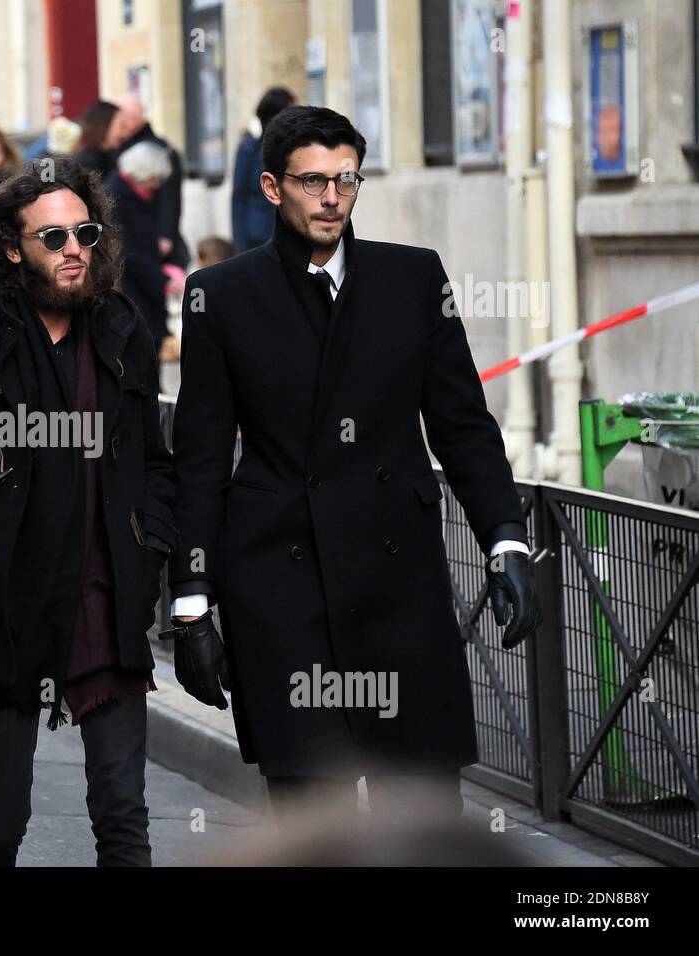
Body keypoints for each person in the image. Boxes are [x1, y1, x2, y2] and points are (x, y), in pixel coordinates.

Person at [163, 106, 541, 819]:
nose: (333, 197)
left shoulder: (412, 278)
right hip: (281, 593)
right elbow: (202, 458)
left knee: (425, 819)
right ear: (272, 188)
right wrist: (191, 603)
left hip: (401, 590)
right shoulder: (223, 296)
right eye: (313, 182)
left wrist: (506, 537)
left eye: (346, 179)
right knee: (314, 826)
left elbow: (462, 426)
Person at [0, 160, 176, 866]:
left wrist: (150, 558)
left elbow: (156, 466)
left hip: (103, 604)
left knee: (124, 822)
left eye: (84, 232)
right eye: (52, 237)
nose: (73, 247)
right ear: (13, 248)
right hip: (2, 608)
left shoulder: (120, 331)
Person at [105, 141, 174, 352]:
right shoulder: (116, 196)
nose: (156, 185)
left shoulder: (139, 193)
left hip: (147, 278)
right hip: (132, 283)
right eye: (153, 179)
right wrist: (162, 280)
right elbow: (126, 249)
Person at [114, 94, 189, 269]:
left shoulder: (158, 150)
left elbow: (170, 198)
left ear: (132, 119)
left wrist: (166, 234)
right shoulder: (119, 146)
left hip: (151, 233)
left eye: (121, 121)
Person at [231, 87, 296, 252]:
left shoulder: (295, 150)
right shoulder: (249, 149)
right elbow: (239, 197)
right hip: (259, 236)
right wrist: (240, 243)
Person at [73, 99, 124, 180]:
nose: (123, 133)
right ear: (105, 125)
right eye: (121, 126)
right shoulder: (89, 162)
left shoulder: (108, 155)